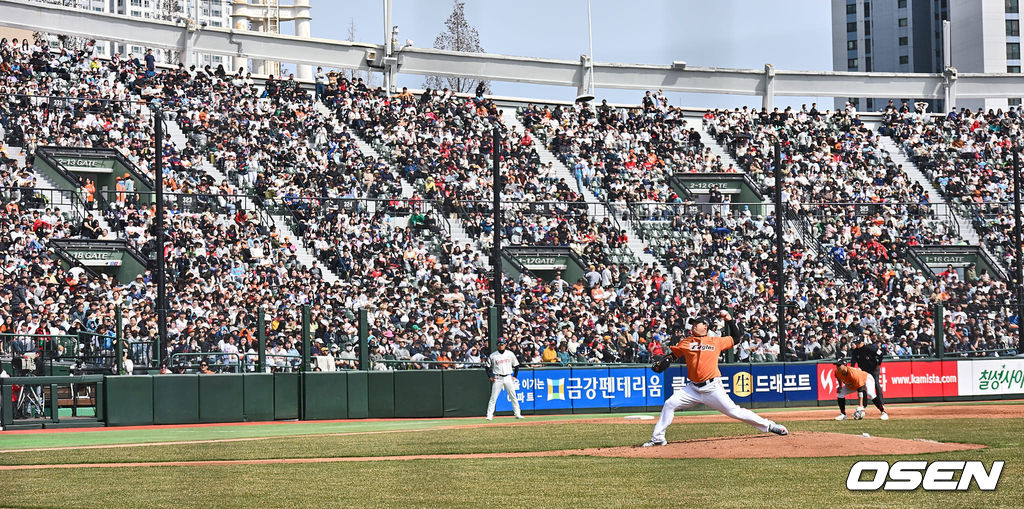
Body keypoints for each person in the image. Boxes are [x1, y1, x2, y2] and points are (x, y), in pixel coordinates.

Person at [642, 311, 788, 446]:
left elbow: (737, 338)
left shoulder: (715, 341)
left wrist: (729, 320)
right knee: (669, 404)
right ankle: (658, 438)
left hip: (712, 388)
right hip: (692, 389)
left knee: (734, 411)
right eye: (692, 323)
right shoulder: (686, 342)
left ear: (705, 326)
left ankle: (769, 425)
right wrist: (663, 362)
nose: (693, 326)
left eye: (696, 323)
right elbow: (672, 356)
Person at [484, 339, 523, 420]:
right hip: (498, 377)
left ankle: (517, 414)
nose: (501, 345)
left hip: (508, 376)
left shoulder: (510, 354)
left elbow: (516, 366)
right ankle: (489, 415)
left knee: (513, 396)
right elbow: (487, 367)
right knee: (493, 397)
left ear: (505, 344)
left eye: (502, 344)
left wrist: (515, 376)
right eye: (499, 344)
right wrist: (490, 377)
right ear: (497, 345)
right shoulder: (493, 355)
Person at [851, 331, 885, 411]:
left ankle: (881, 403)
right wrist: (852, 368)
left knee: (876, 383)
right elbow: (853, 360)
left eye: (857, 343)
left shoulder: (870, 348)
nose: (856, 344)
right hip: (864, 370)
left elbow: (880, 354)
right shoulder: (856, 351)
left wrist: (878, 363)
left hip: (873, 368)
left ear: (861, 342)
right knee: (863, 386)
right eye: (855, 343)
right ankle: (864, 404)